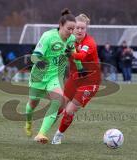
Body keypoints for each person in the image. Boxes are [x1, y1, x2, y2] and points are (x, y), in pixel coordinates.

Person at [24, 8, 78, 144]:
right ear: (60, 26)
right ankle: (28, 123)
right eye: (69, 29)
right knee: (32, 104)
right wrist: (40, 62)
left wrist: (79, 64)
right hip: (39, 76)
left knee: (57, 100)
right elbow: (34, 57)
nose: (71, 32)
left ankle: (41, 134)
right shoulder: (48, 36)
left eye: (73, 29)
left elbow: (74, 55)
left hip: (55, 77)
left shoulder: (71, 39)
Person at [51, 14, 101, 144]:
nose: (79, 31)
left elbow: (81, 56)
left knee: (69, 110)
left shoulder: (90, 43)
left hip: (90, 81)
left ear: (86, 29)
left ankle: (58, 135)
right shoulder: (68, 40)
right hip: (74, 78)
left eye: (82, 28)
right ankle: (43, 132)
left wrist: (69, 52)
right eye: (77, 28)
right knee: (59, 106)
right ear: (72, 28)